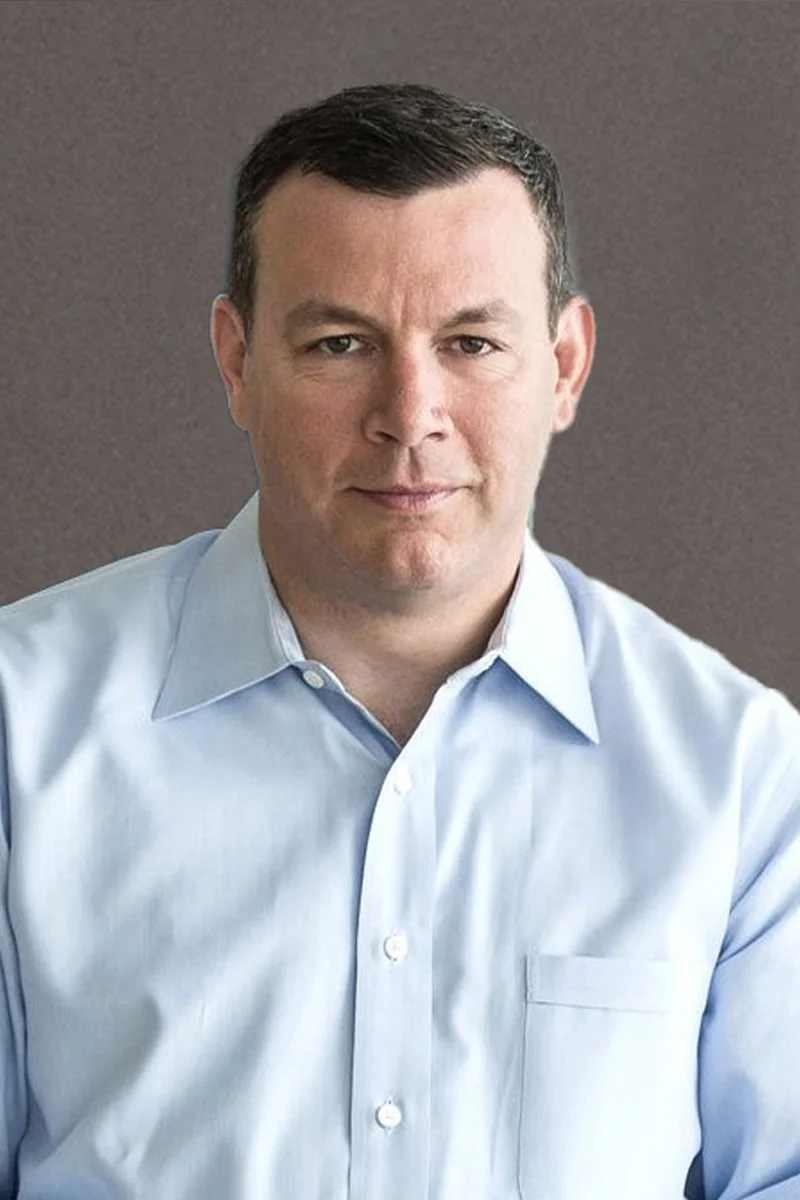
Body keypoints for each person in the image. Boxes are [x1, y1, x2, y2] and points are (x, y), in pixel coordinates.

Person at [1, 80, 798, 1200]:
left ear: (563, 366)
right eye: (337, 343)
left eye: (471, 342)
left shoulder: (741, 778)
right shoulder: (17, 728)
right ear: (236, 361)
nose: (409, 412)